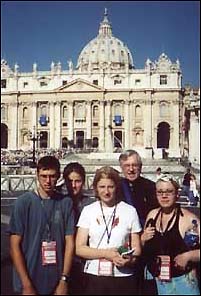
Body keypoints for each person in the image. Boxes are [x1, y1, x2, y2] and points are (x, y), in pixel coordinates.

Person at [9, 156, 75, 295]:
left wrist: (64, 279)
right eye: (44, 176)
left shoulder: (65, 203)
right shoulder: (23, 202)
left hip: (57, 279)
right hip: (29, 278)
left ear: (58, 176)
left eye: (52, 176)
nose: (48, 181)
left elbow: (70, 242)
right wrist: (26, 284)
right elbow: (14, 245)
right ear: (37, 175)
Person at [76, 166, 142, 295]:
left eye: (110, 187)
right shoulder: (88, 211)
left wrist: (129, 259)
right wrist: (107, 254)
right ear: (96, 188)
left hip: (123, 276)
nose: (106, 192)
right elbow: (79, 248)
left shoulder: (129, 211)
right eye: (102, 187)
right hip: (94, 276)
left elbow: (137, 248)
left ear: (116, 187)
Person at [141, 173, 200, 295]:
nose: (164, 196)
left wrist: (188, 256)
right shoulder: (152, 215)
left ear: (177, 194)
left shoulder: (189, 219)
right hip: (155, 280)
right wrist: (142, 239)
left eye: (169, 191)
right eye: (160, 192)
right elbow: (142, 246)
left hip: (181, 282)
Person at [61, 162, 95, 295]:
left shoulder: (91, 204)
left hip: (85, 261)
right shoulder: (59, 203)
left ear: (84, 181)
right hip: (63, 261)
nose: (73, 185)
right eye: (70, 181)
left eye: (78, 181)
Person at [119, 149, 158, 228]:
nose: (131, 169)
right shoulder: (116, 187)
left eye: (134, 165)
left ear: (140, 167)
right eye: (127, 165)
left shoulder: (151, 187)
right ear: (121, 168)